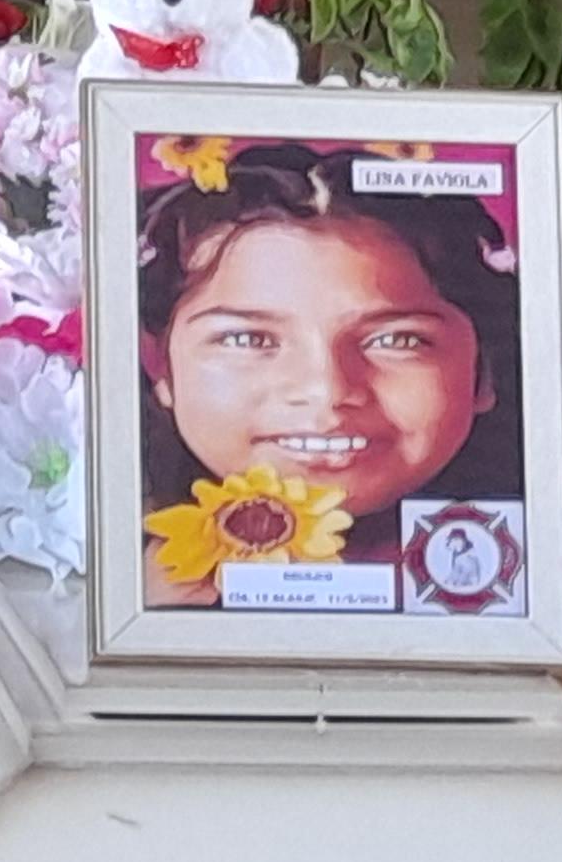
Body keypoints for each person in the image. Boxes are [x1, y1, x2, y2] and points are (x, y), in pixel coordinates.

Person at [134, 139, 526, 610]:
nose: (326, 391)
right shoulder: (100, 581)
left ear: (484, 367)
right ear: (159, 364)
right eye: (247, 339)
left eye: (398, 340)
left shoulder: (556, 571)